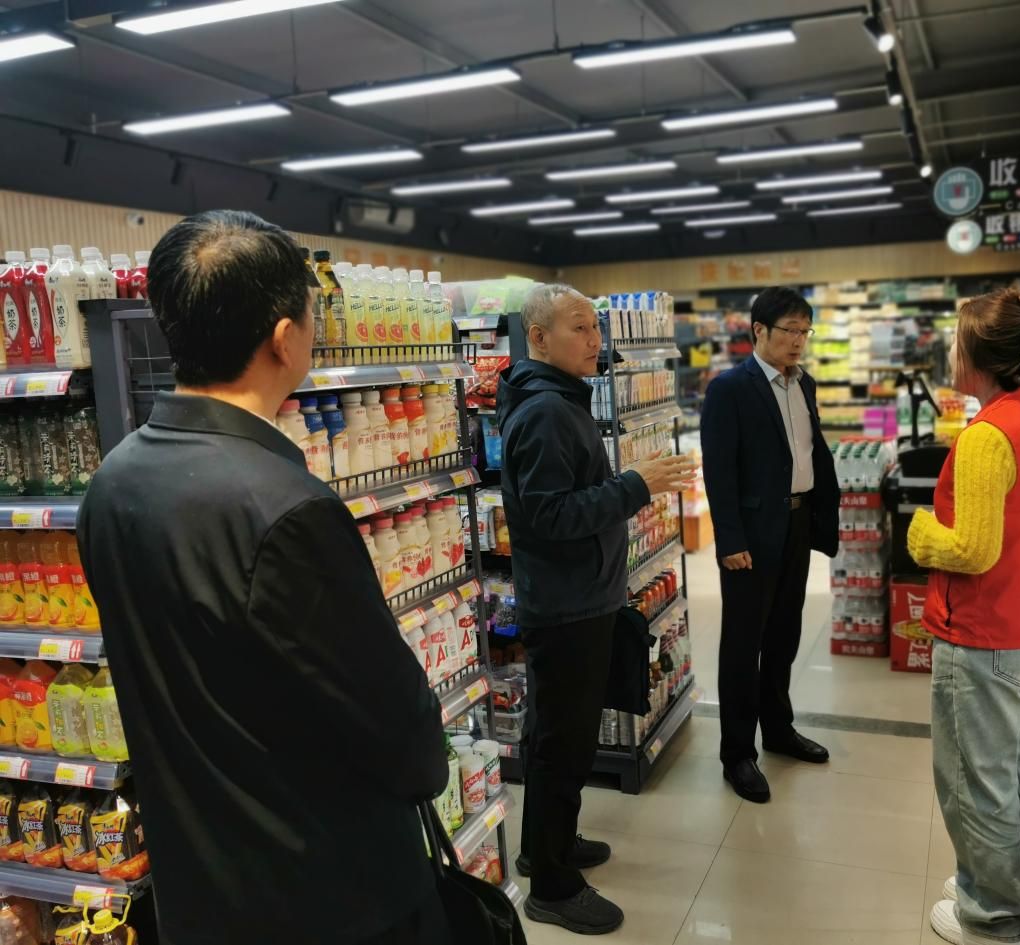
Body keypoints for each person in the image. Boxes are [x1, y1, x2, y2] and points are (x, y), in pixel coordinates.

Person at [77, 211, 452, 945]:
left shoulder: (111, 485)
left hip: (199, 889)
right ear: (285, 337)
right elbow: (398, 729)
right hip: (328, 895)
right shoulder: (285, 509)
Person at [497, 283, 695, 935]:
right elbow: (550, 516)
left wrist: (626, 485)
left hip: (577, 596)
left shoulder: (560, 400)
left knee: (560, 738)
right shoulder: (546, 412)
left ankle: (546, 845)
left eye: (595, 327)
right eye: (579, 327)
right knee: (564, 744)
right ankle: (551, 887)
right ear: (538, 337)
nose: (594, 339)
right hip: (567, 606)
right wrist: (636, 485)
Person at [907, 288, 1020, 945]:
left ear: (977, 355)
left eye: (956, 341)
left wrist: (921, 533)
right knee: (1011, 769)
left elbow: (971, 549)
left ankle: (991, 918)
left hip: (983, 633)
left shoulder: (986, 436)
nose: (949, 353)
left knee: (975, 781)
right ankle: (1018, 894)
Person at [700, 286, 840, 804]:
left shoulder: (805, 384)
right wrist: (729, 538)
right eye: (790, 330)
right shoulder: (729, 389)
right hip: (752, 537)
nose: (799, 340)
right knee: (744, 644)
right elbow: (719, 470)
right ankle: (737, 753)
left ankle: (778, 729)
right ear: (758, 330)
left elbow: (807, 452)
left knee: (784, 634)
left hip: (797, 525)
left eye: (805, 331)